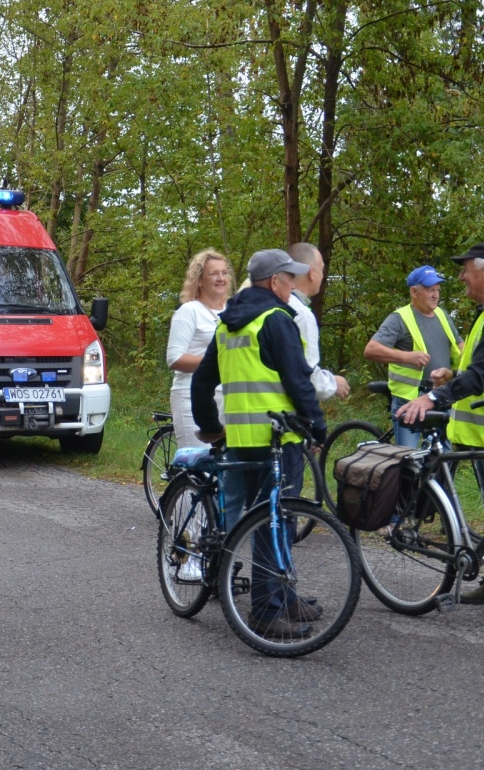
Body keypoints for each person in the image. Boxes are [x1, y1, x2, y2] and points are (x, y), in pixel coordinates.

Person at [191, 248, 328, 639]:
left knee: (256, 518)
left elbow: (203, 383)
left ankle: (283, 597)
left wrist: (210, 427)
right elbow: (298, 381)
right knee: (275, 521)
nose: (293, 284)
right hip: (276, 439)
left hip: (240, 440)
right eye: (289, 278)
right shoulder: (277, 320)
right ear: (275, 282)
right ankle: (267, 611)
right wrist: (317, 427)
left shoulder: (229, 324)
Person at [395, 242, 484, 616]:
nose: (460, 277)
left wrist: (433, 398)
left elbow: (483, 375)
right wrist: (453, 375)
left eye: (466, 270)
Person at [364, 265, 460, 447]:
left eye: (438, 290)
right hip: (409, 399)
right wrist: (407, 357)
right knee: (407, 459)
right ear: (414, 292)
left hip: (439, 396)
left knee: (442, 459)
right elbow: (371, 349)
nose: (436, 295)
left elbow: (459, 344)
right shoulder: (399, 318)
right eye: (430, 290)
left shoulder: (442, 315)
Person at [166, 250, 233, 448]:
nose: (221, 278)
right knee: (199, 467)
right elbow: (174, 358)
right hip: (191, 396)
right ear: (200, 280)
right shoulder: (189, 311)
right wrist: (216, 361)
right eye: (214, 274)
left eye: (224, 273)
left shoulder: (233, 311)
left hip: (228, 398)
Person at [285, 242, 349, 403]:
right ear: (312, 273)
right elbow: (308, 377)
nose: (322, 275)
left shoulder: (272, 306)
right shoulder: (301, 314)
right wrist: (333, 383)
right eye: (321, 270)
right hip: (282, 415)